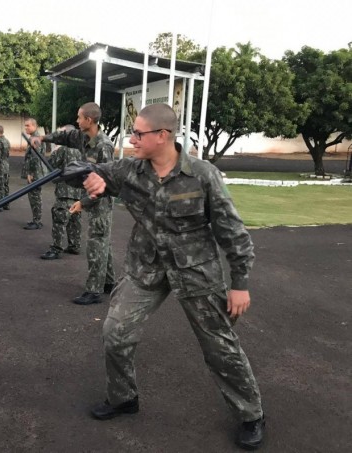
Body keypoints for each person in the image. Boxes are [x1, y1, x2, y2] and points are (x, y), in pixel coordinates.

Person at [76, 103, 265, 450]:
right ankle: (123, 398)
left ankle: (251, 414)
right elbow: (94, 171)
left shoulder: (202, 175)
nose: (131, 139)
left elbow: (232, 232)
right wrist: (91, 178)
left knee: (219, 346)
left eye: (138, 133)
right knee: (115, 332)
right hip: (146, 268)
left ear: (162, 136)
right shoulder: (130, 171)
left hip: (195, 271)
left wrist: (240, 284)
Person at [32, 102, 116, 305]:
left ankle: (94, 291)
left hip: (101, 199)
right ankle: (109, 282)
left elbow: (105, 184)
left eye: (79, 117)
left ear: (89, 120)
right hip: (90, 195)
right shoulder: (82, 137)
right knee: (102, 241)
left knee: (97, 242)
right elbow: (64, 136)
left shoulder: (104, 146)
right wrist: (43, 138)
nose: (77, 121)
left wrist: (83, 202)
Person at [40, 125, 83, 260]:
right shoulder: (82, 148)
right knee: (75, 220)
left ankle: (56, 248)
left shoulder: (63, 149)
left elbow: (52, 165)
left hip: (65, 191)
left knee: (59, 219)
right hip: (79, 192)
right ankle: (74, 245)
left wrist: (56, 151)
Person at [22, 118, 44, 230]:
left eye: (28, 126)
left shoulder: (35, 139)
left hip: (35, 173)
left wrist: (30, 173)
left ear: (34, 126)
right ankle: (36, 219)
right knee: (34, 196)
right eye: (25, 126)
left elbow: (36, 158)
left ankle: (37, 221)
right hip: (35, 172)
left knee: (35, 197)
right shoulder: (33, 137)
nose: (26, 128)